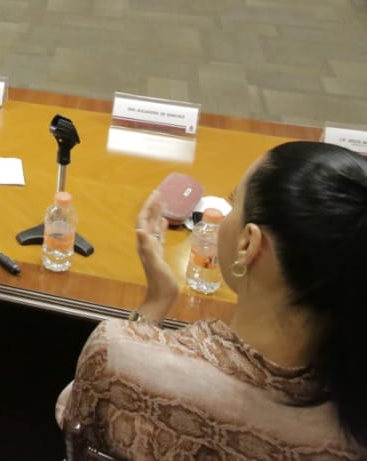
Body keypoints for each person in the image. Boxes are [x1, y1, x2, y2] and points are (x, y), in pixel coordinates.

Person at [56, 141, 367, 459]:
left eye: (234, 201)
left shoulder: (118, 358)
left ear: (248, 244)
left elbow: (75, 418)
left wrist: (155, 303)